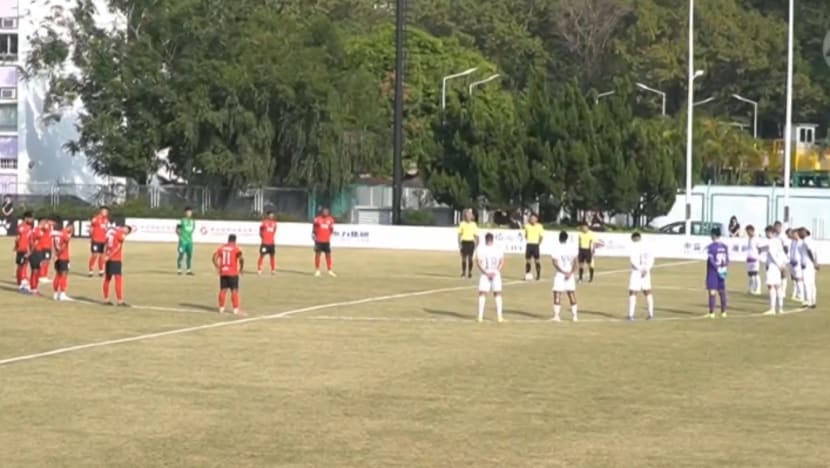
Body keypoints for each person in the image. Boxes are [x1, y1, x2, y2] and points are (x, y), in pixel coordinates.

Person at [475, 232, 505, 323]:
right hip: (495, 273)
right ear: (492, 239)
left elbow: (478, 262)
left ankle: (480, 317)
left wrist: (485, 272)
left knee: (482, 293)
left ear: (485, 239)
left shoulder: (481, 249)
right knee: (497, 294)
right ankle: (499, 317)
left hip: (485, 273)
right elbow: (502, 261)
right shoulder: (498, 249)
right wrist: (496, 271)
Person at [213, 234, 245, 316]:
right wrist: (241, 268)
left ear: (228, 240)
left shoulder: (222, 247)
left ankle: (221, 308)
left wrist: (218, 267)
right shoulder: (235, 248)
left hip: (223, 271)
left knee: (223, 290)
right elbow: (241, 258)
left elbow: (214, 257)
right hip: (232, 272)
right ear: (235, 240)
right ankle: (235, 309)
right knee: (234, 290)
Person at [551, 231, 578, 322]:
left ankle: (556, 316)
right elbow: (575, 262)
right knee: (571, 294)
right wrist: (571, 272)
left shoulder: (556, 248)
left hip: (560, 274)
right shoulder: (572, 248)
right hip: (570, 274)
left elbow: (555, 262)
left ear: (559, 238)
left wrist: (563, 272)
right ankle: (574, 316)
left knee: (557, 293)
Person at [627, 232, 655, 320]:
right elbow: (652, 259)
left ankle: (631, 315)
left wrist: (640, 269)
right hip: (646, 272)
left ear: (634, 238)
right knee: (647, 292)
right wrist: (647, 269)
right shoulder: (648, 246)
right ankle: (651, 314)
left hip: (637, 272)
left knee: (633, 292)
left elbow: (633, 260)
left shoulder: (633, 247)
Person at [103, 225, 133, 306]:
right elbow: (118, 248)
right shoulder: (120, 234)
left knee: (107, 278)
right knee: (118, 278)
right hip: (115, 259)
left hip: (108, 257)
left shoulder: (112, 232)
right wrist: (109, 256)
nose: (126, 231)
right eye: (126, 229)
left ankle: (106, 299)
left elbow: (106, 243)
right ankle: (120, 300)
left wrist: (106, 255)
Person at [705, 227, 729, 318]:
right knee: (722, 291)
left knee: (712, 291)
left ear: (714, 235)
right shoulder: (724, 246)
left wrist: (717, 268)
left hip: (713, 271)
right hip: (723, 270)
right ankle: (723, 312)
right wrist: (724, 268)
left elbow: (711, 260)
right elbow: (727, 259)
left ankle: (711, 313)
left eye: (711, 234)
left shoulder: (711, 247)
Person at [763, 225, 787, 315]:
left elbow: (773, 255)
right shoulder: (778, 241)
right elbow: (782, 254)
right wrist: (783, 264)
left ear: (772, 233)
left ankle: (772, 308)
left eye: (767, 232)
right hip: (778, 266)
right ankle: (780, 308)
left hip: (773, 266)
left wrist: (779, 265)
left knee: (771, 286)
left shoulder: (771, 242)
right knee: (778, 286)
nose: (766, 234)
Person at [797, 227, 818, 309]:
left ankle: (809, 301)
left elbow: (809, 251)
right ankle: (813, 301)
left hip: (808, 265)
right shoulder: (810, 240)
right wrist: (815, 262)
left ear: (804, 232)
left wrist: (814, 262)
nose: (799, 234)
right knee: (812, 283)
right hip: (810, 265)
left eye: (800, 233)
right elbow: (814, 252)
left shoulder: (806, 240)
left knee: (807, 283)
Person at [52, 224, 74, 301]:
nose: (72, 229)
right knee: (64, 275)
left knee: (57, 275)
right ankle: (62, 293)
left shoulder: (56, 235)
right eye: (71, 228)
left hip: (57, 257)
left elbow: (55, 245)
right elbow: (64, 245)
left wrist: (56, 255)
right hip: (63, 257)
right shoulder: (64, 234)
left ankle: (55, 294)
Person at [312, 208, 336, 277]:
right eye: (324, 212)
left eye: (327, 212)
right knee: (318, 255)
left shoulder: (330, 220)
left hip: (326, 241)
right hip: (319, 240)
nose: (325, 213)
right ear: (322, 212)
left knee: (328, 255)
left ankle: (329, 270)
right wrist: (314, 236)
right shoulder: (317, 219)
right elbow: (314, 229)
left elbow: (331, 229)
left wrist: (328, 236)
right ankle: (317, 270)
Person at [14, 211, 34, 292]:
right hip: (22, 249)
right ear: (26, 218)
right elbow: (17, 238)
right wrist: (17, 246)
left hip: (26, 249)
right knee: (21, 266)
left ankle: (22, 283)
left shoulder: (29, 227)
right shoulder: (21, 227)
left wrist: (30, 248)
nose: (32, 220)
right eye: (31, 218)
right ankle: (21, 284)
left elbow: (30, 239)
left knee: (24, 265)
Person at [88, 206, 110, 277]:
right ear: (101, 211)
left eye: (106, 212)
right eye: (104, 211)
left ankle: (101, 270)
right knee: (94, 255)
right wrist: (91, 236)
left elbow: (106, 230)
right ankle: (91, 270)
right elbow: (91, 228)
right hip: (95, 240)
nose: (106, 213)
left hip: (103, 240)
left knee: (102, 255)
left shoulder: (106, 220)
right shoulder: (95, 218)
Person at [457, 209, 478, 278]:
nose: (468, 217)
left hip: (471, 242)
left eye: (469, 215)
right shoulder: (462, 224)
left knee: (470, 259)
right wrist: (459, 244)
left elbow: (476, 235)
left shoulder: (473, 224)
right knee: (463, 259)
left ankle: (469, 272)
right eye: (467, 215)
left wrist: (476, 244)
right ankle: (463, 272)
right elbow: (459, 234)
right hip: (464, 242)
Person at [523, 213, 544, 280]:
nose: (532, 220)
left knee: (537, 260)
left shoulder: (539, 226)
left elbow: (541, 236)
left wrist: (538, 243)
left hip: (535, 245)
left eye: (534, 218)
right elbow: (526, 235)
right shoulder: (527, 226)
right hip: (529, 244)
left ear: (536, 219)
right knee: (528, 261)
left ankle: (538, 275)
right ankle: (527, 274)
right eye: (531, 218)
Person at [176, 207, 196, 275]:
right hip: (183, 242)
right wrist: (180, 236)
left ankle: (188, 270)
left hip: (189, 242)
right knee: (181, 255)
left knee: (189, 255)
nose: (189, 213)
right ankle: (179, 269)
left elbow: (193, 229)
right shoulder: (182, 220)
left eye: (190, 212)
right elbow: (177, 229)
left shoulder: (193, 221)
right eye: (188, 212)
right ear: (185, 213)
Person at [257, 211, 278, 275]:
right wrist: (263, 237)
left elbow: (274, 231)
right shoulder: (264, 222)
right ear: (268, 215)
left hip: (272, 243)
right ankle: (259, 269)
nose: (272, 216)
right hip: (264, 243)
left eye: (272, 215)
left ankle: (273, 270)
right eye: (270, 215)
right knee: (262, 256)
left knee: (272, 256)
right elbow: (260, 230)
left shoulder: (275, 223)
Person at [773, 221, 789, 297]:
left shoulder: (783, 236)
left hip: (782, 258)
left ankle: (783, 291)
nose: (776, 228)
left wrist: (784, 257)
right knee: (777, 275)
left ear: (780, 227)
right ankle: (778, 290)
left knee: (783, 274)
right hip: (776, 258)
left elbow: (786, 247)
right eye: (775, 226)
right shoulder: (775, 235)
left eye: (778, 226)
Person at [745, 225, 762, 295]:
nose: (747, 233)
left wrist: (756, 256)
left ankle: (757, 289)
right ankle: (751, 289)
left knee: (756, 275)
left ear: (752, 231)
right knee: (750, 275)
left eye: (748, 231)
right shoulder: (749, 239)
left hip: (755, 259)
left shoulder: (756, 239)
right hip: (749, 259)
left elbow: (760, 249)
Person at [788, 229, 804, 302]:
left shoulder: (801, 243)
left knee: (799, 279)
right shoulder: (793, 242)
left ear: (798, 234)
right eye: (792, 234)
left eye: (794, 234)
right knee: (794, 279)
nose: (793, 235)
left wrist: (801, 262)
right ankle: (795, 294)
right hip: (792, 262)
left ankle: (801, 295)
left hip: (798, 263)